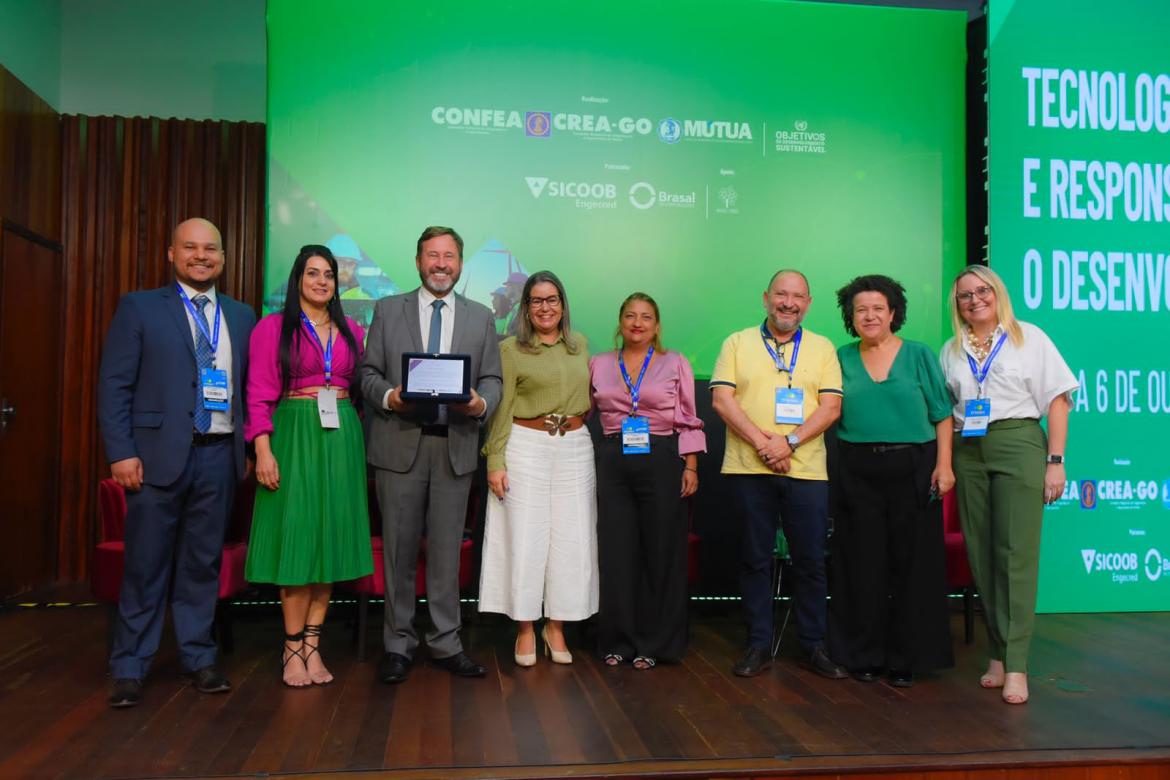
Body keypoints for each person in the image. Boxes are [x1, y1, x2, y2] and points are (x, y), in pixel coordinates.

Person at [97, 218, 257, 708]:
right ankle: (129, 667)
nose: (201, 256)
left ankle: (199, 658)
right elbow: (114, 385)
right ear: (172, 253)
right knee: (145, 566)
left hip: (218, 458)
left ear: (224, 259)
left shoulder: (242, 315)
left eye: (211, 248)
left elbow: (248, 390)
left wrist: (248, 449)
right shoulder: (140, 307)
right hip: (155, 460)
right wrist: (121, 452)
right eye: (191, 248)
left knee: (201, 565)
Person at [361, 226, 502, 684]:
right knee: (399, 553)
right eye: (432, 255)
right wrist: (389, 398)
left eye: (449, 256)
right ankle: (398, 644)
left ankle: (446, 643)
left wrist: (480, 404)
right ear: (418, 260)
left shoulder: (481, 317)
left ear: (461, 264)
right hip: (399, 441)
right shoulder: (387, 309)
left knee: (445, 554)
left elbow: (493, 380)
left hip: (455, 446)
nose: (441, 264)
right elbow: (367, 373)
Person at [941, 264, 1076, 705]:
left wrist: (1054, 461)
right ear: (956, 304)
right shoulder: (952, 349)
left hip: (1018, 441)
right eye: (965, 295)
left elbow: (1058, 400)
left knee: (1015, 554)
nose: (975, 299)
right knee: (981, 553)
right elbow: (947, 411)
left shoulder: (1028, 337)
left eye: (983, 291)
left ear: (997, 293)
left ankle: (1017, 664)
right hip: (969, 446)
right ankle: (997, 653)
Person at [245, 245, 373, 687]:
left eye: (329, 275)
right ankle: (292, 646)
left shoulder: (352, 328)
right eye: (313, 273)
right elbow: (258, 392)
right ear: (298, 277)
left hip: (341, 437)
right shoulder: (271, 328)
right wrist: (263, 449)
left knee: (329, 542)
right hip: (294, 433)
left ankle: (314, 646)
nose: (322, 281)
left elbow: (359, 390)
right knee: (297, 539)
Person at [709, 269, 847, 679]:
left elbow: (830, 408)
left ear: (808, 303)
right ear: (766, 297)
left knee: (810, 560)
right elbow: (721, 400)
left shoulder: (823, 348)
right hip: (748, 468)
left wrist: (787, 443)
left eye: (798, 296)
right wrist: (763, 443)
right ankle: (758, 644)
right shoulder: (737, 342)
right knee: (755, 559)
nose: (789, 303)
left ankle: (813, 645)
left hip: (806, 471)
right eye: (781, 295)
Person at [826, 274, 954, 688]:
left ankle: (906, 657)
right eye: (860, 309)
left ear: (893, 312)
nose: (869, 315)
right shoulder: (840, 357)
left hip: (913, 466)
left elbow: (942, 414)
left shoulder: (918, 354)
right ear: (851, 316)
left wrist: (944, 466)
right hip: (856, 468)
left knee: (912, 566)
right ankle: (863, 655)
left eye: (878, 308)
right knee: (862, 565)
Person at [480, 271, 596, 666]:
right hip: (525, 444)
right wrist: (495, 459)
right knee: (524, 538)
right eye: (536, 301)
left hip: (576, 448)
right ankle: (526, 628)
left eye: (552, 300)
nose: (545, 308)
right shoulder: (511, 349)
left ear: (562, 305)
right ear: (525, 308)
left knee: (572, 540)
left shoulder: (580, 345)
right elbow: (503, 406)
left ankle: (557, 627)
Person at [589, 293, 705, 670]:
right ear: (619, 322)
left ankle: (655, 643)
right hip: (612, 459)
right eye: (630, 316)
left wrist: (691, 467)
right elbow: (580, 410)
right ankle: (618, 641)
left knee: (661, 553)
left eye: (646, 317)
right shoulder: (599, 363)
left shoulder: (674, 362)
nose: (638, 323)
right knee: (616, 553)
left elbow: (688, 417)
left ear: (657, 325)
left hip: (661, 458)